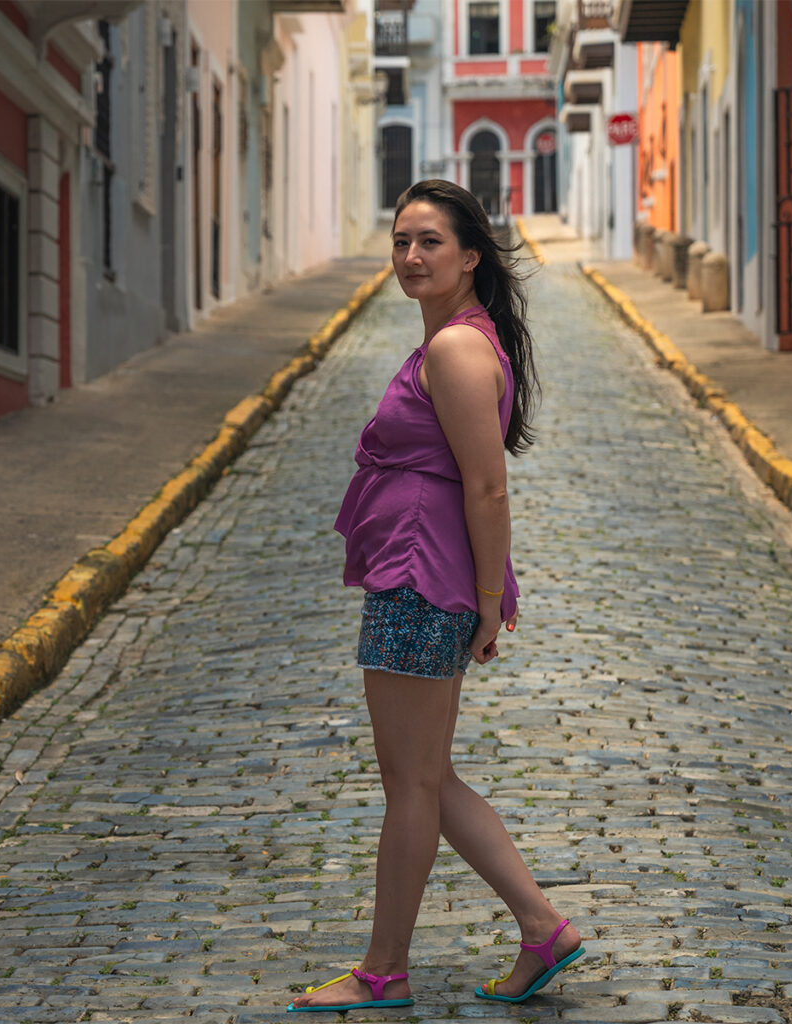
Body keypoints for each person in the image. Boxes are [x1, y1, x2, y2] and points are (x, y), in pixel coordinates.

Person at [287, 180, 584, 1014]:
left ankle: (383, 971)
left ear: (470, 257)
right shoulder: (458, 339)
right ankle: (541, 927)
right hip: (418, 573)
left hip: (424, 578)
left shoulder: (456, 349)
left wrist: (491, 600)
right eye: (400, 241)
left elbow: (488, 488)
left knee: (409, 782)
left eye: (429, 243)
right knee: (425, 774)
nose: (410, 256)